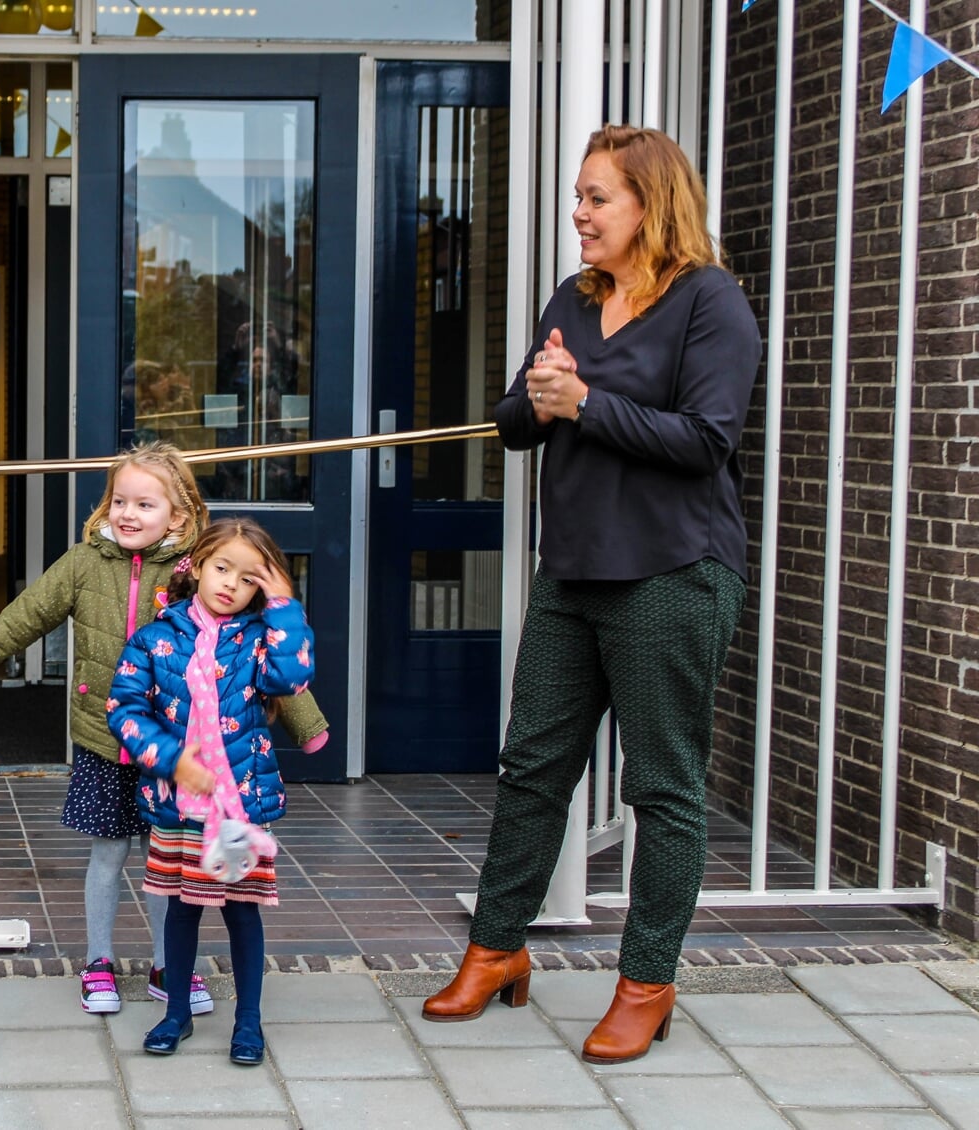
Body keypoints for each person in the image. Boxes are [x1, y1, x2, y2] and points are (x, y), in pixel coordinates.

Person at [421, 125, 760, 1065]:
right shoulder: (572, 298)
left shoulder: (710, 303)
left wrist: (587, 405)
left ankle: (646, 983)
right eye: (578, 196)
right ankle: (496, 950)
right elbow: (515, 423)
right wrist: (537, 398)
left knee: (662, 786)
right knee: (532, 767)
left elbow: (706, 441)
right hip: (572, 570)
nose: (579, 212)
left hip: (671, 572)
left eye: (597, 197)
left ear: (651, 205)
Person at [0, 444, 330, 1018]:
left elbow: (246, 652)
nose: (128, 513)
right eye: (120, 501)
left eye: (145, 503)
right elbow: (21, 619)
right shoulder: (84, 564)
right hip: (104, 743)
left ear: (180, 516)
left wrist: (307, 724)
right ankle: (99, 960)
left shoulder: (197, 569)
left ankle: (170, 966)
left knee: (168, 864)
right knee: (108, 856)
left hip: (175, 750)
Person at [109, 516, 317, 1065]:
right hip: (177, 806)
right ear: (197, 564)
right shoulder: (154, 637)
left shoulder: (259, 641)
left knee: (242, 912)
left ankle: (248, 1022)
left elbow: (292, 677)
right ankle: (176, 1013)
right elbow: (124, 710)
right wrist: (173, 760)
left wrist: (284, 605)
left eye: (249, 578)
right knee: (180, 909)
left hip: (237, 806)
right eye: (222, 567)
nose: (230, 583)